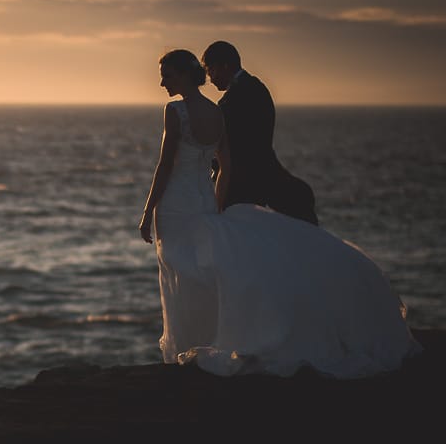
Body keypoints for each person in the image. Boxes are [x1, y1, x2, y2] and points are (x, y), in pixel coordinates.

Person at [139, 48, 420, 378]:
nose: (161, 82)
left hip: (177, 202)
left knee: (181, 270)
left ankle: (188, 344)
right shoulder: (218, 111)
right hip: (203, 201)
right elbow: (225, 166)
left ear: (184, 75)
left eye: (167, 75)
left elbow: (165, 165)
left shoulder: (175, 110)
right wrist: (215, 204)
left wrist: (148, 210)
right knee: (201, 268)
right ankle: (204, 339)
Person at [202, 40, 318, 225]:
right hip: (255, 177)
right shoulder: (256, 87)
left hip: (243, 185)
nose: (211, 79)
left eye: (211, 71)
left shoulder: (236, 98)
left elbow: (237, 145)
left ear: (224, 66)